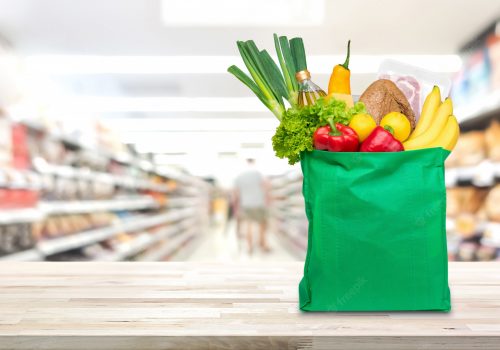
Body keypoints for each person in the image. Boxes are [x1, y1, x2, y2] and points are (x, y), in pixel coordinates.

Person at [233, 158, 270, 254]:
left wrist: (236, 206)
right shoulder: (258, 174)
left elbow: (236, 192)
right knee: (262, 224)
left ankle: (249, 247)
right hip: (259, 203)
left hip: (246, 204)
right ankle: (262, 244)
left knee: (248, 225)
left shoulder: (239, 176)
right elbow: (265, 186)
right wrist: (266, 198)